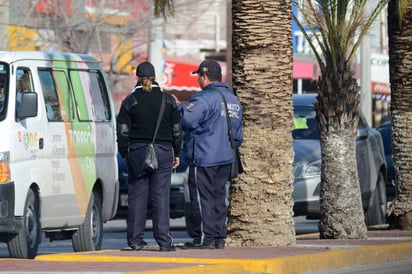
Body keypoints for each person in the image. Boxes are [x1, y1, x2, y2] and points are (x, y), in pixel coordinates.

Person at [172, 59, 243, 249]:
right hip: (225, 159)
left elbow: (188, 120)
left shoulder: (203, 98)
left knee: (202, 200)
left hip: (204, 157)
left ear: (204, 77)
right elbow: (237, 136)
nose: (198, 81)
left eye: (199, 77)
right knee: (219, 199)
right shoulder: (233, 100)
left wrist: (179, 106)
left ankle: (205, 238)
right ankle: (219, 237)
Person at [116, 61, 182, 252]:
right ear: (154, 78)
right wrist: (176, 152)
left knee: (137, 196)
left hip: (137, 152)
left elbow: (122, 133)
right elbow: (177, 131)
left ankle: (135, 241)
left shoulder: (130, 101)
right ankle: (164, 242)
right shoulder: (167, 100)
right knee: (161, 196)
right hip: (163, 152)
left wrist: (126, 154)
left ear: (137, 77)